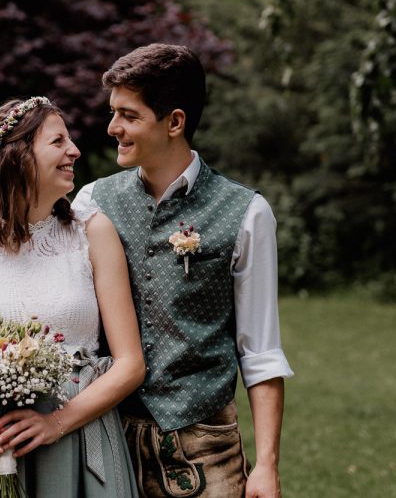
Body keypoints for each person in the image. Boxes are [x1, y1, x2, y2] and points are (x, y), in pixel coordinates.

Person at [71, 44, 294, 498]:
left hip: (205, 448)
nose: (112, 127)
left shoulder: (247, 213)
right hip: (109, 442)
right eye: (113, 112)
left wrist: (267, 465)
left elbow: (261, 349)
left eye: (128, 115)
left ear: (174, 122)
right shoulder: (91, 202)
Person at [0, 97, 145, 497]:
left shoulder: (92, 233)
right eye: (58, 142)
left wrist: (55, 423)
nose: (74, 150)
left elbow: (130, 364)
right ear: (18, 156)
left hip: (78, 441)